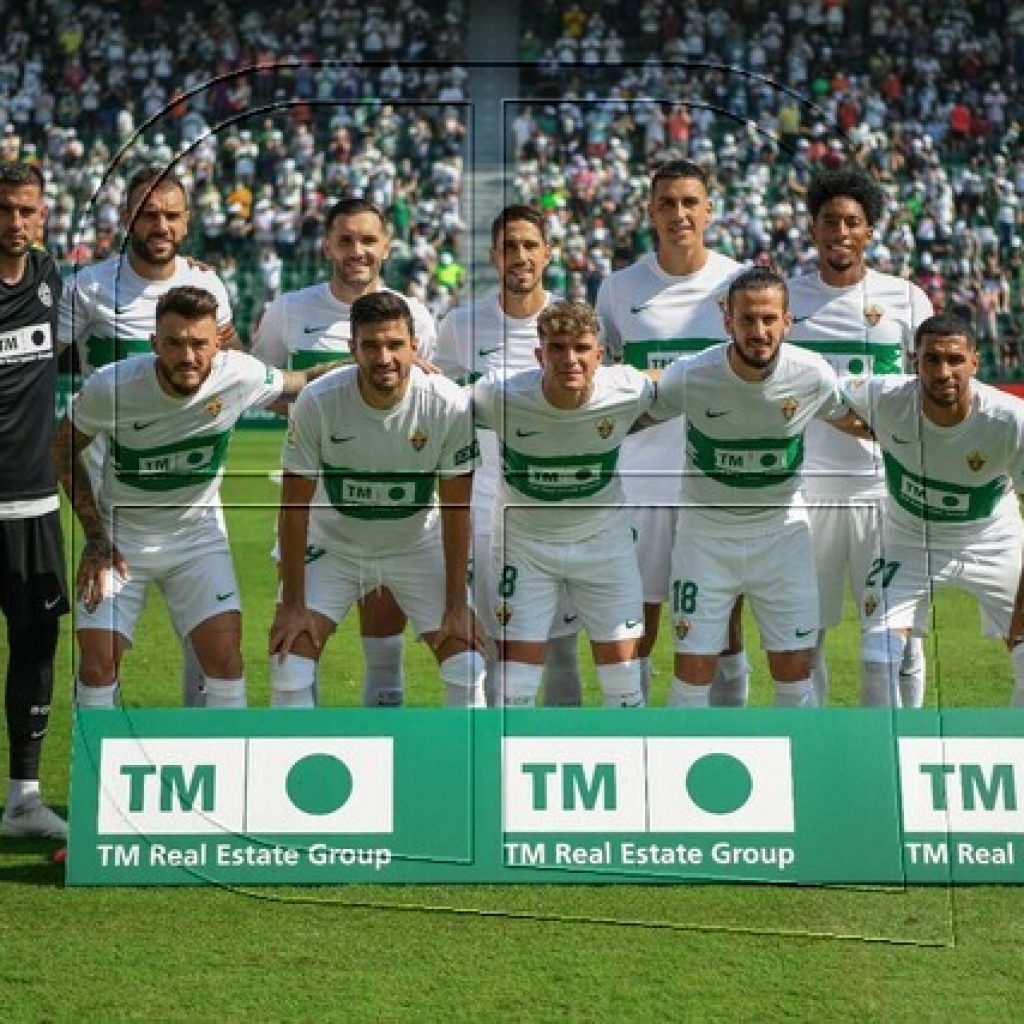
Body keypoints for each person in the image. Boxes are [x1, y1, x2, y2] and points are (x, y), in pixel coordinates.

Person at [53, 286, 331, 710]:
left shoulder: (239, 373)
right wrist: (94, 535)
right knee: (96, 666)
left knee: (225, 662)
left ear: (217, 343)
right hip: (119, 540)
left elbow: (304, 382)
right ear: (154, 344)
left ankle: (227, 772)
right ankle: (97, 776)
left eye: (199, 344)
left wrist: (394, 368)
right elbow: (61, 450)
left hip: (197, 540)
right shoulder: (111, 387)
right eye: (175, 343)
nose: (187, 356)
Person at [57, 165, 238, 709]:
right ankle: (99, 782)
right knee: (100, 660)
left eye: (170, 214)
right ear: (127, 220)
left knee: (213, 655)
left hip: (193, 504)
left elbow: (229, 368)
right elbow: (39, 361)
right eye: (147, 213)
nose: (159, 224)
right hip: (116, 509)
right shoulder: (89, 288)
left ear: (186, 223)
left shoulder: (208, 284)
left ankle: (211, 767)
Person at [252, 196, 437, 708]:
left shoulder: (414, 313)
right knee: (297, 646)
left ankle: (386, 762)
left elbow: (428, 398)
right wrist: (316, 415)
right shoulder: (289, 310)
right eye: (346, 240)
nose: (358, 250)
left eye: (368, 240)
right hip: (316, 506)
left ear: (387, 246)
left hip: (389, 503)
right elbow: (260, 387)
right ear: (328, 244)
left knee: (384, 644)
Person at [649, 268, 863, 708]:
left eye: (769, 319)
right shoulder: (691, 375)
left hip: (782, 534)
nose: (759, 331)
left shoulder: (813, 375)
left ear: (787, 321)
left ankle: (801, 772)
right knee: (692, 673)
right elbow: (637, 412)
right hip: (705, 536)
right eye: (747, 320)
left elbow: (855, 420)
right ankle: (677, 769)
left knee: (794, 671)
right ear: (728, 322)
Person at [268, 291, 486, 708]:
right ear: (353, 349)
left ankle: (462, 772)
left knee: (467, 666)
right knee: (289, 668)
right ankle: (297, 770)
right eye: (370, 345)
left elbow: (458, 510)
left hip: (415, 546)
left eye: (394, 345)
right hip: (334, 546)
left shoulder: (448, 404)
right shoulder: (316, 402)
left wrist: (458, 605)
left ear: (414, 347)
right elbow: (293, 511)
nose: (383, 357)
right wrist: (292, 604)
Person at [595, 158, 748, 706]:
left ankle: (727, 737)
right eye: (667, 204)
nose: (679, 214)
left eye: (690, 203)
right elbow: (607, 382)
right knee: (638, 622)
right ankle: (631, 738)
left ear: (709, 210)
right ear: (650, 212)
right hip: (643, 481)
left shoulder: (739, 282)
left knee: (724, 625)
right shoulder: (618, 288)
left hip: (719, 481)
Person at [788, 166, 934, 706]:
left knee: (895, 633)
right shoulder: (788, 300)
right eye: (830, 222)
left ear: (870, 231)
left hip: (883, 490)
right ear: (813, 229)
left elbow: (926, 391)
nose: (841, 232)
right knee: (808, 631)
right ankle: (816, 740)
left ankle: (906, 739)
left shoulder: (906, 299)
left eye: (852, 222)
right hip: (806, 493)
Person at [436, 204, 583, 706]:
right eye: (508, 247)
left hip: (558, 507)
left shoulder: (573, 323)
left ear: (548, 252)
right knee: (497, 646)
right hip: (484, 509)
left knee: (562, 649)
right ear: (492, 256)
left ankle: (563, 757)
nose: (519, 256)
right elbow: (439, 399)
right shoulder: (460, 326)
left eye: (529, 245)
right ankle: (498, 763)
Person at [472, 301, 652, 707]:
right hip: (524, 547)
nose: (569, 358)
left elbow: (684, 381)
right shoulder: (497, 394)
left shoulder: (628, 388)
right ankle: (506, 769)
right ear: (539, 355)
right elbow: (437, 400)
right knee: (514, 687)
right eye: (556, 347)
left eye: (581, 347)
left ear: (599, 356)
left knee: (624, 684)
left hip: (604, 545)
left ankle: (625, 768)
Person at [843, 314, 1024, 707]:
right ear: (915, 362)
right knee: (877, 658)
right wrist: (878, 431)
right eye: (932, 360)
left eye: (955, 360)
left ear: (975, 362)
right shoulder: (886, 397)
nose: (944, 371)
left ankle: (1015, 756)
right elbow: (825, 397)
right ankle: (890, 761)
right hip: (908, 537)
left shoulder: (1011, 420)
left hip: (992, 539)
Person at [0, 162, 68, 838]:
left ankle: (23, 799)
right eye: (4, 210)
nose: (15, 223)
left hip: (34, 505)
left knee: (36, 644)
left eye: (26, 210)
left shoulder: (49, 280)